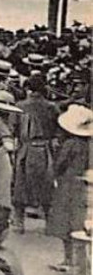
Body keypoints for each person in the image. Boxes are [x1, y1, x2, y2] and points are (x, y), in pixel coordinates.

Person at [13, 75, 60, 229]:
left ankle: (19, 222)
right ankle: (50, 221)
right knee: (47, 184)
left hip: (25, 148)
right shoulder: (51, 107)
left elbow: (13, 128)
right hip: (45, 149)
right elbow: (58, 129)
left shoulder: (20, 106)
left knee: (21, 184)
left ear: (28, 89)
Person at [48, 105, 92, 266]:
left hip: (68, 183)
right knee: (79, 221)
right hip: (84, 183)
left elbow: (60, 164)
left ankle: (68, 259)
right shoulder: (88, 145)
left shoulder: (70, 144)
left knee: (65, 222)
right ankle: (79, 260)